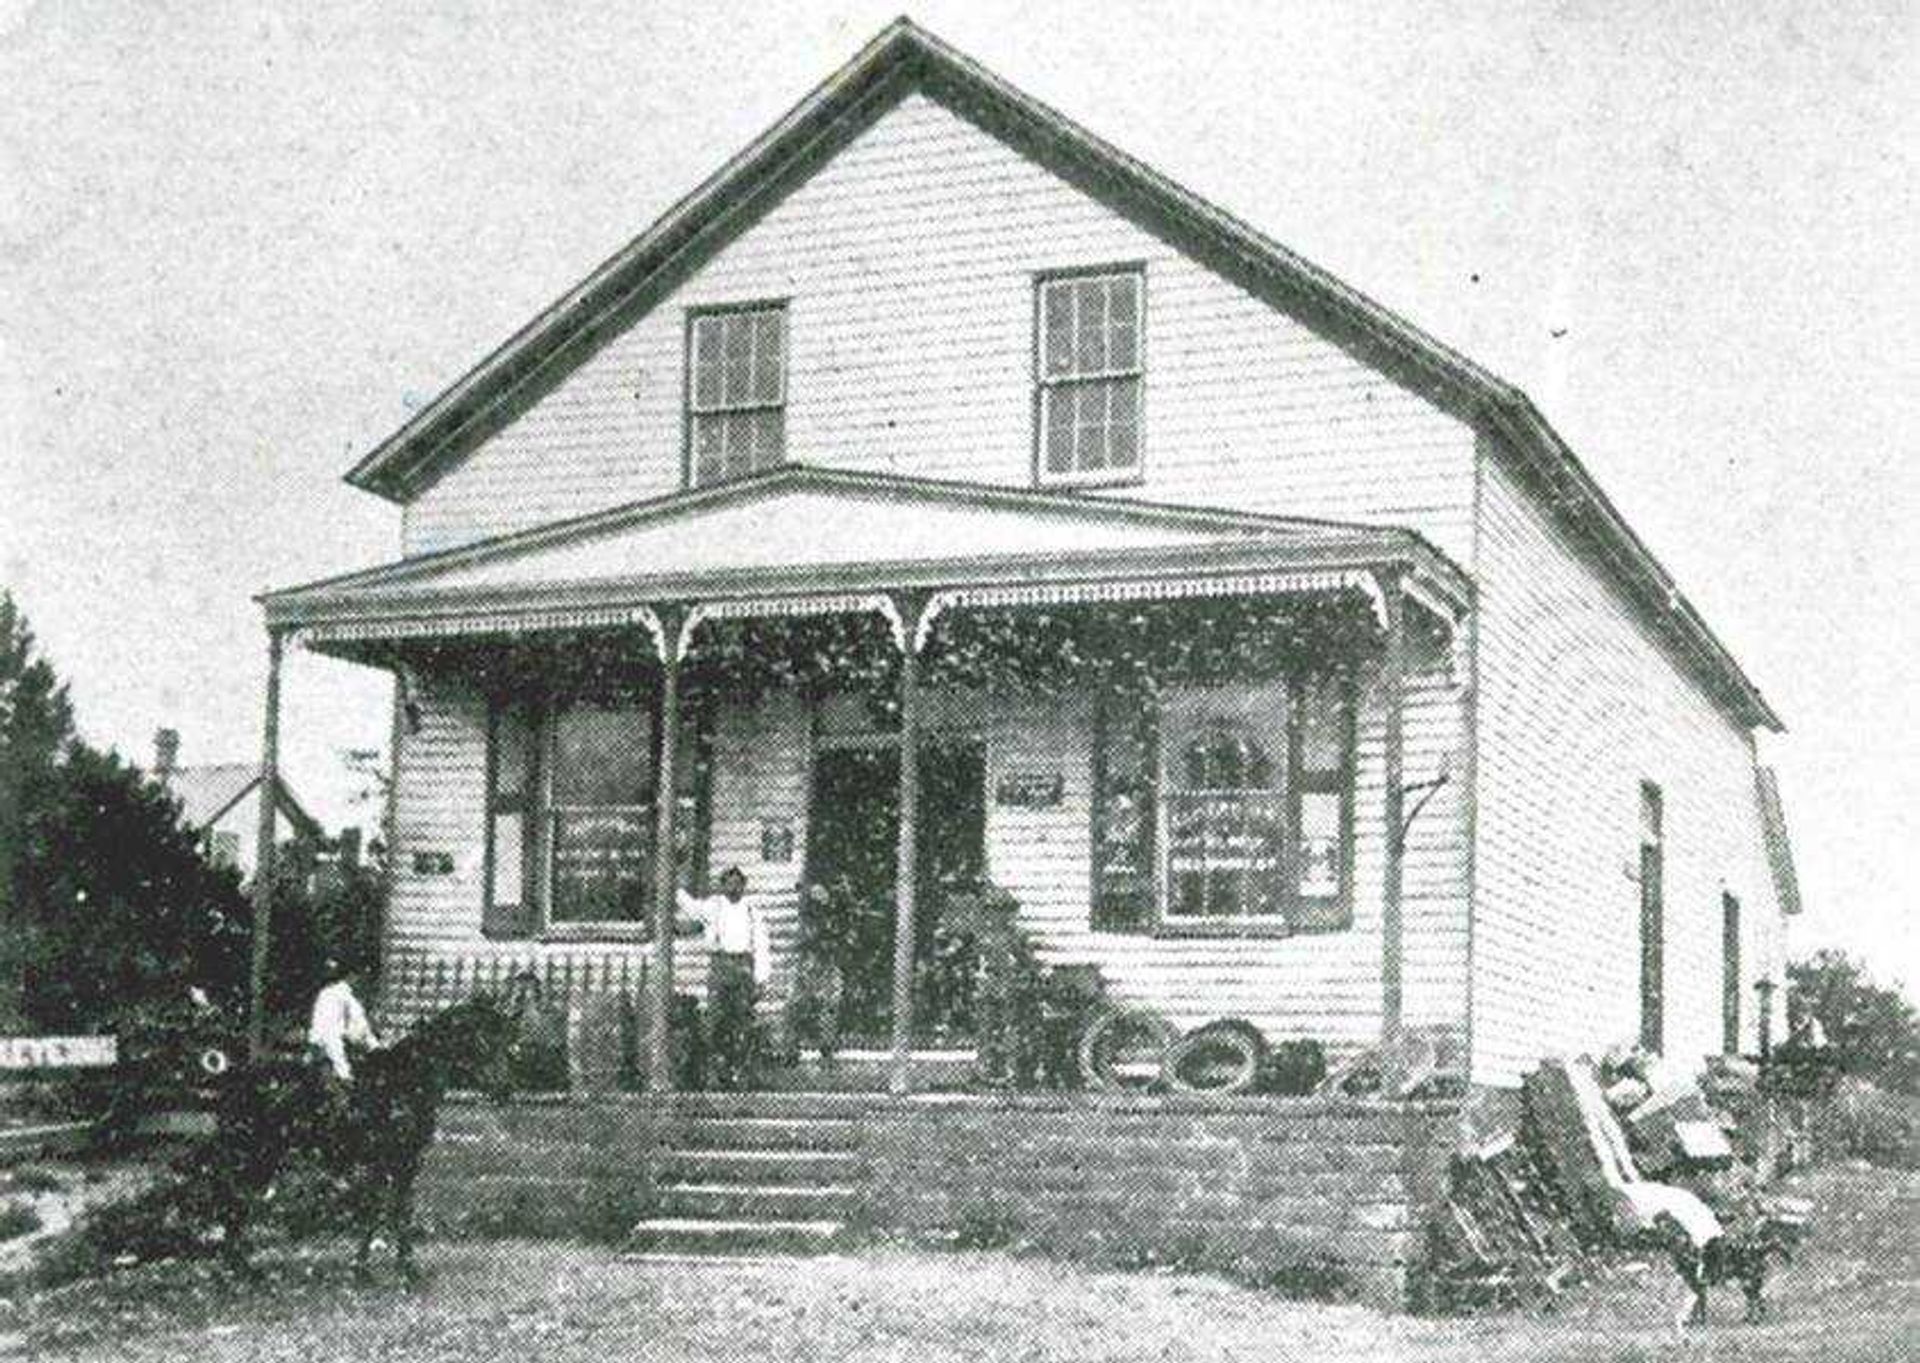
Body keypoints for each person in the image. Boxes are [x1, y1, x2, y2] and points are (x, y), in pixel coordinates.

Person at [676, 867, 770, 1088]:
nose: (734, 887)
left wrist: (762, 978)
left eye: (738, 883)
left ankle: (741, 1070)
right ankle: (719, 1068)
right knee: (717, 1020)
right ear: (722, 885)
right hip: (720, 965)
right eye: (729, 883)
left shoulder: (752, 911)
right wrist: (678, 887)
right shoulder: (713, 906)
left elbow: (762, 944)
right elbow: (690, 908)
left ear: (744, 885)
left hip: (743, 967)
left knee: (743, 1021)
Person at [308, 957, 384, 1093]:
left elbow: (362, 1027)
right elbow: (328, 1032)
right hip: (330, 1051)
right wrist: (344, 1073)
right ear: (351, 975)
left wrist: (375, 1047)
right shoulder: (334, 995)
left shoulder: (349, 996)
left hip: (345, 1050)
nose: (365, 980)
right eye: (362, 975)